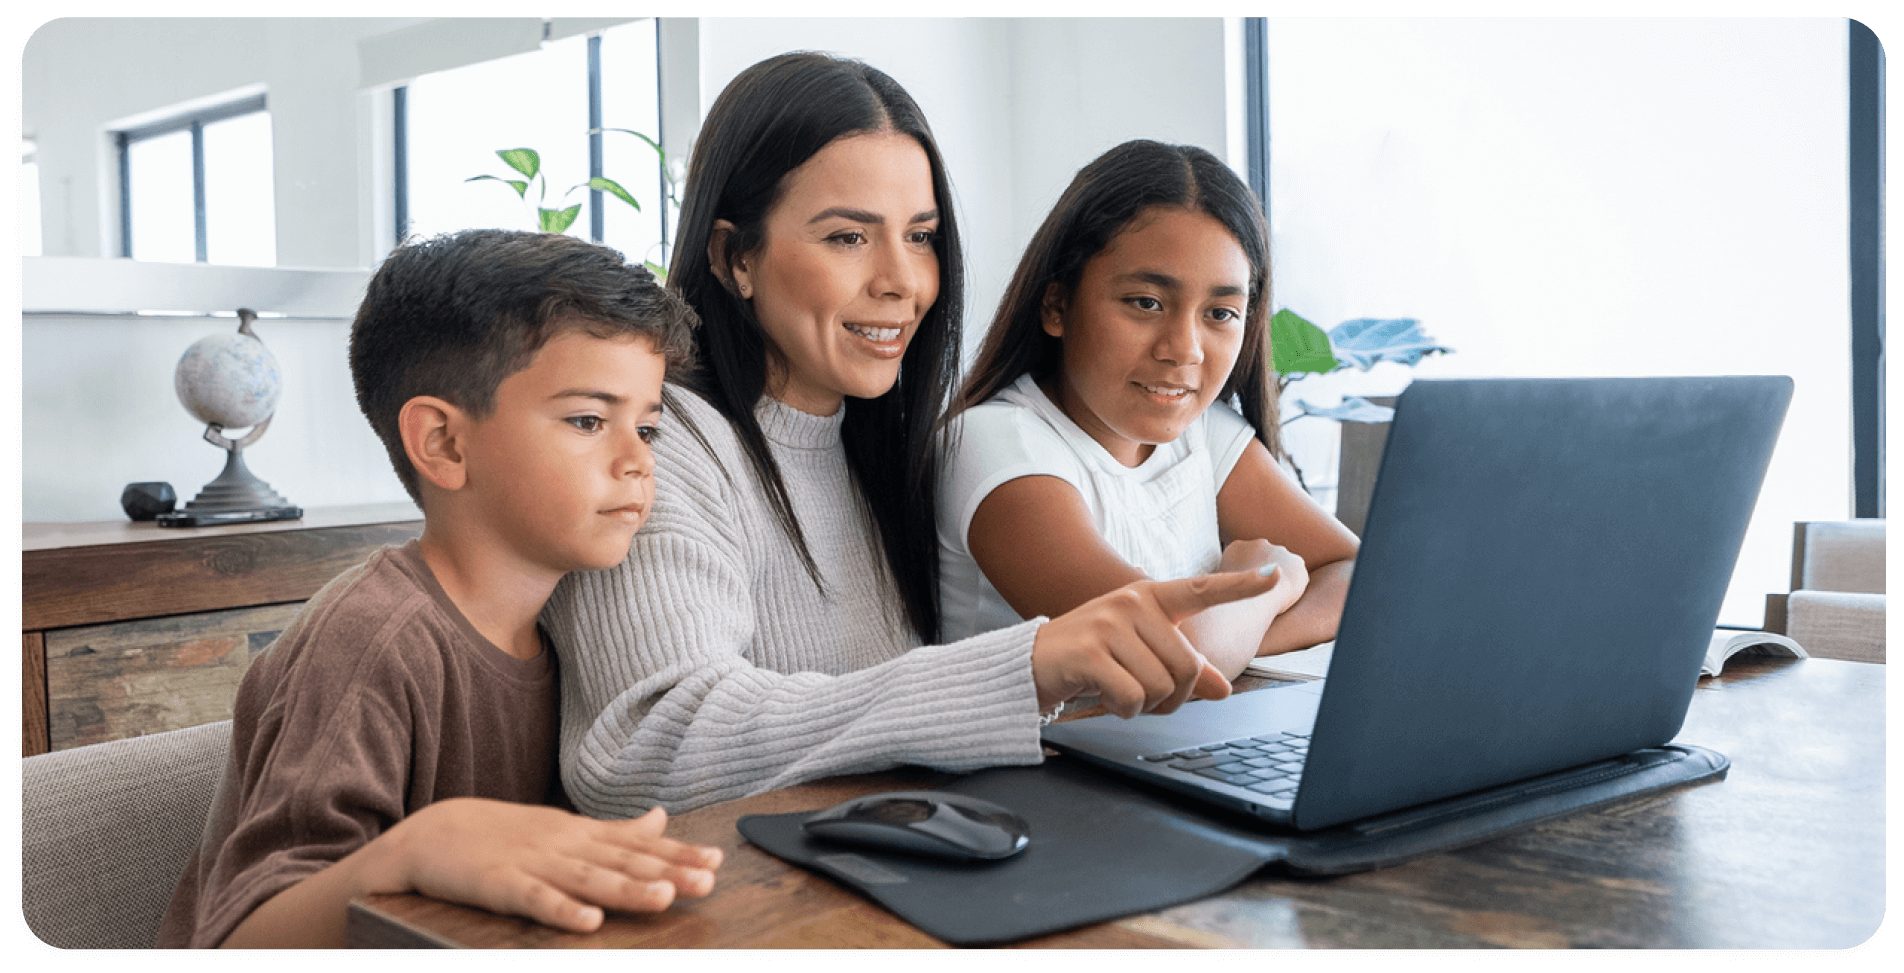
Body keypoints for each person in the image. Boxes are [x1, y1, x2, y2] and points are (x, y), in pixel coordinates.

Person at [545, 54, 1282, 819]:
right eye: (848, 239)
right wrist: (1019, 669)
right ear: (736, 258)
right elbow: (648, 748)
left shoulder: (878, 447)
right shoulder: (660, 441)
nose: (903, 280)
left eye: (922, 236)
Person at [157, 230, 722, 949]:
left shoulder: (572, 624)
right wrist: (417, 847)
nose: (637, 461)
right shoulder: (370, 640)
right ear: (444, 444)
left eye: (648, 428)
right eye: (588, 420)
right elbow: (240, 933)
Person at [941, 140, 1359, 679]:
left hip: (1160, 747)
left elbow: (1355, 575)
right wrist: (1267, 581)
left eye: (1220, 313)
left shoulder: (1203, 433)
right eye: (1147, 303)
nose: (1183, 349)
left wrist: (1231, 640)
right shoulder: (994, 444)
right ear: (1056, 305)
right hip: (1038, 763)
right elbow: (1165, 657)